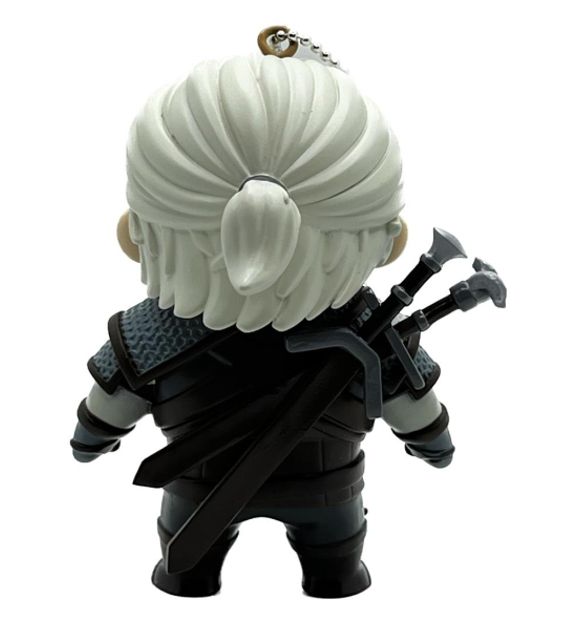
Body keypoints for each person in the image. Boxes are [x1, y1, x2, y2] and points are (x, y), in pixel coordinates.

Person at [71, 54, 455, 598]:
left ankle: (189, 581)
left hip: (196, 491)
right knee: (336, 570)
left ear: (134, 233)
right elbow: (418, 411)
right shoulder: (373, 330)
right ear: (391, 241)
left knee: (185, 572)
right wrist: (433, 445)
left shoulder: (150, 333)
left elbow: (106, 408)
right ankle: (334, 579)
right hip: (330, 491)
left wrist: (92, 438)